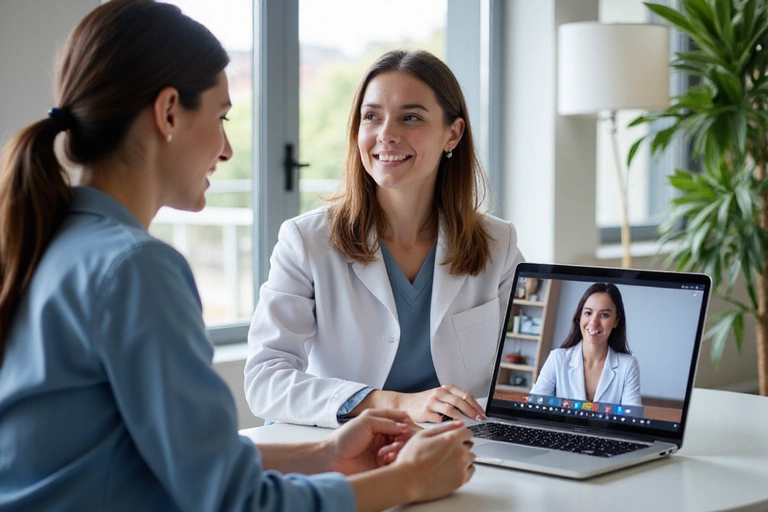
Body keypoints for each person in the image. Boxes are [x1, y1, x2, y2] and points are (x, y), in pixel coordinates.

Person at [0, 2, 476, 510]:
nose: (227, 149)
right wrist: (409, 482)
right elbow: (236, 502)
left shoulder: (51, 243)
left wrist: (327, 452)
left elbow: (182, 462)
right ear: (167, 113)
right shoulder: (134, 270)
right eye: (221, 116)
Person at [245, 50, 524, 428]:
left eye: (411, 118)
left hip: (455, 448)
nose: (386, 135)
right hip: (339, 448)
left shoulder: (498, 243)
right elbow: (266, 380)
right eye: (371, 117)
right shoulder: (305, 241)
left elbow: (525, 372)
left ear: (452, 134)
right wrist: (393, 403)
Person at [530, 283, 642, 405]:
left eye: (604, 315)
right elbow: (534, 405)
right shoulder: (557, 358)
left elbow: (631, 417)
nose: (593, 322)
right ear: (579, 316)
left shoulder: (628, 366)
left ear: (616, 321)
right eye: (588, 313)